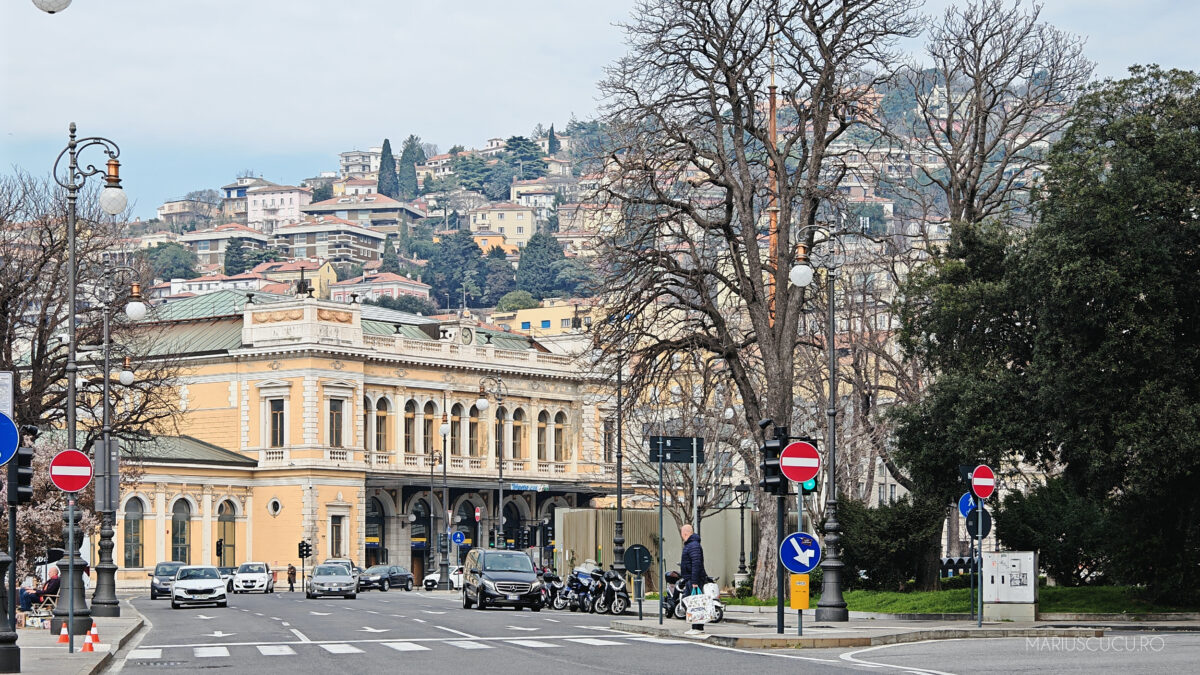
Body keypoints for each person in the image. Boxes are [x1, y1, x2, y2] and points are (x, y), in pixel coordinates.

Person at [679, 523, 708, 637]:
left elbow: (696, 563)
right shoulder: (692, 545)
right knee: (692, 603)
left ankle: (698, 627)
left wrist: (695, 581)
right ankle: (695, 626)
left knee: (695, 603)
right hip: (691, 578)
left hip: (694, 579)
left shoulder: (693, 545)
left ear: (685, 533)